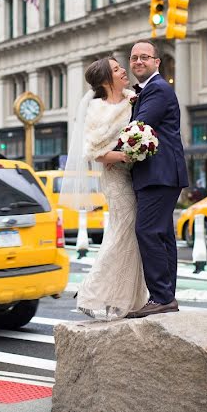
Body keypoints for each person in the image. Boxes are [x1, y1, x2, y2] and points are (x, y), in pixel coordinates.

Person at [60, 57, 149, 320]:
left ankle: (126, 299)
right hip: (116, 179)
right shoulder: (96, 108)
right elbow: (95, 152)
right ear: (106, 79)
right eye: (117, 69)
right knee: (124, 232)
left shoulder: (135, 99)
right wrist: (125, 156)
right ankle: (91, 292)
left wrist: (140, 148)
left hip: (139, 177)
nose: (124, 71)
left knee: (132, 236)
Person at [126, 39, 189, 318]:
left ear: (156, 62)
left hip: (159, 174)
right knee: (162, 235)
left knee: (147, 231)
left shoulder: (158, 90)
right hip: (161, 174)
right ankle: (166, 296)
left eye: (144, 57)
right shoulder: (148, 91)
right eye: (134, 58)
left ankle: (162, 296)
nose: (138, 61)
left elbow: (138, 130)